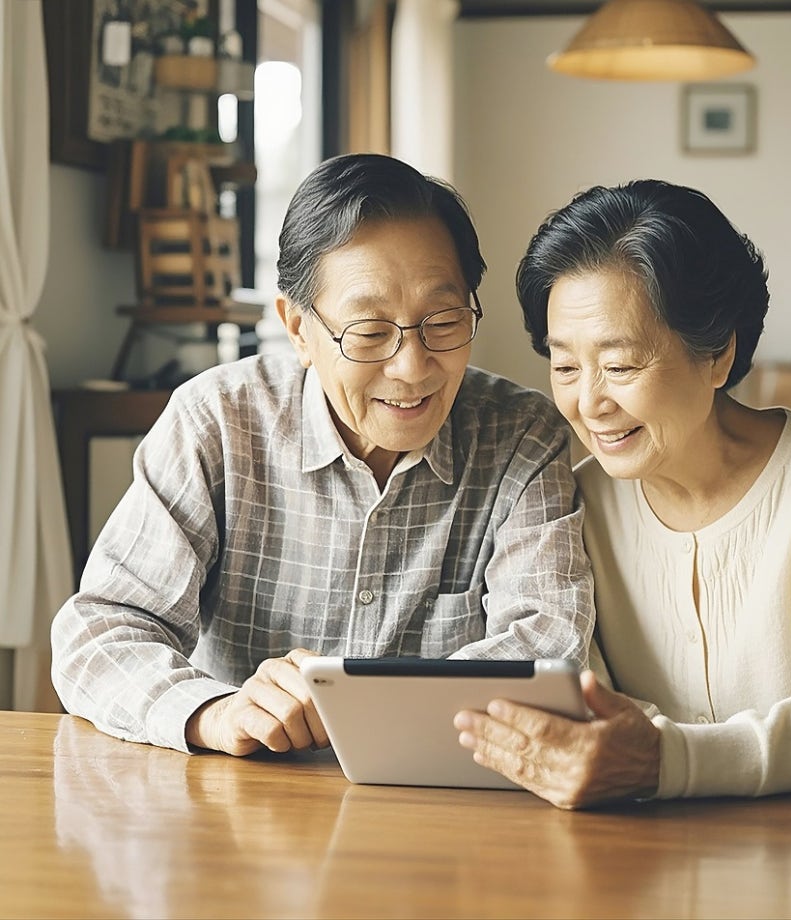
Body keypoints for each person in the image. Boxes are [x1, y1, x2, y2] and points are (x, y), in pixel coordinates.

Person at [51, 153, 594, 756]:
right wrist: (214, 712)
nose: (413, 368)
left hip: (440, 802)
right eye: (369, 332)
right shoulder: (219, 421)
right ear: (299, 329)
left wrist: (357, 709)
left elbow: (545, 646)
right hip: (243, 798)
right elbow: (100, 633)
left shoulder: (521, 433)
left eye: (442, 321)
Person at [454, 178, 791, 808]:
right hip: (664, 842)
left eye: (619, 366)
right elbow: (593, 707)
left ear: (718, 355)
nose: (589, 403)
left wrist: (670, 761)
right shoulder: (571, 503)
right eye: (564, 366)